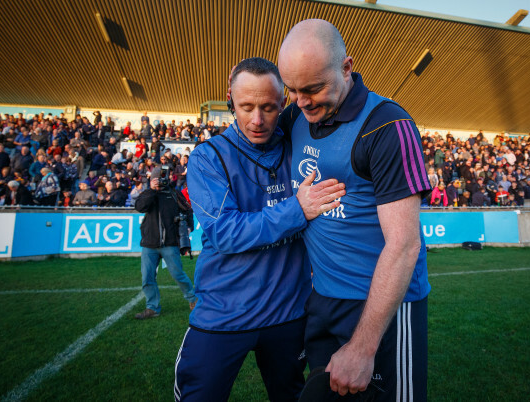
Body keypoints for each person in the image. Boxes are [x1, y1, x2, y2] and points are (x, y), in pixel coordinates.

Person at [175, 57, 346, 402]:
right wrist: (296, 209)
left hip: (288, 314)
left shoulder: (297, 149)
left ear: (284, 102)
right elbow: (224, 232)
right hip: (224, 314)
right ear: (230, 100)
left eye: (268, 107)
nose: (257, 120)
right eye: (246, 106)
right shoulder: (208, 157)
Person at [277, 19, 431, 400]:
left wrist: (364, 347)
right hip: (323, 301)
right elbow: (252, 130)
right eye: (292, 90)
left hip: (383, 308)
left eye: (313, 88)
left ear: (347, 67)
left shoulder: (387, 125)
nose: (302, 101)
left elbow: (404, 245)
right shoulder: (297, 114)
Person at [134, 167, 197, 320]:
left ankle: (193, 300)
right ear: (151, 180)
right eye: (156, 178)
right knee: (147, 277)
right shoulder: (148, 194)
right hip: (149, 243)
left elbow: (188, 210)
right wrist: (152, 190)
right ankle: (152, 308)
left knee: (178, 274)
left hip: (170, 243)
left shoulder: (173, 193)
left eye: (162, 177)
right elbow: (140, 207)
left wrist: (189, 227)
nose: (160, 180)